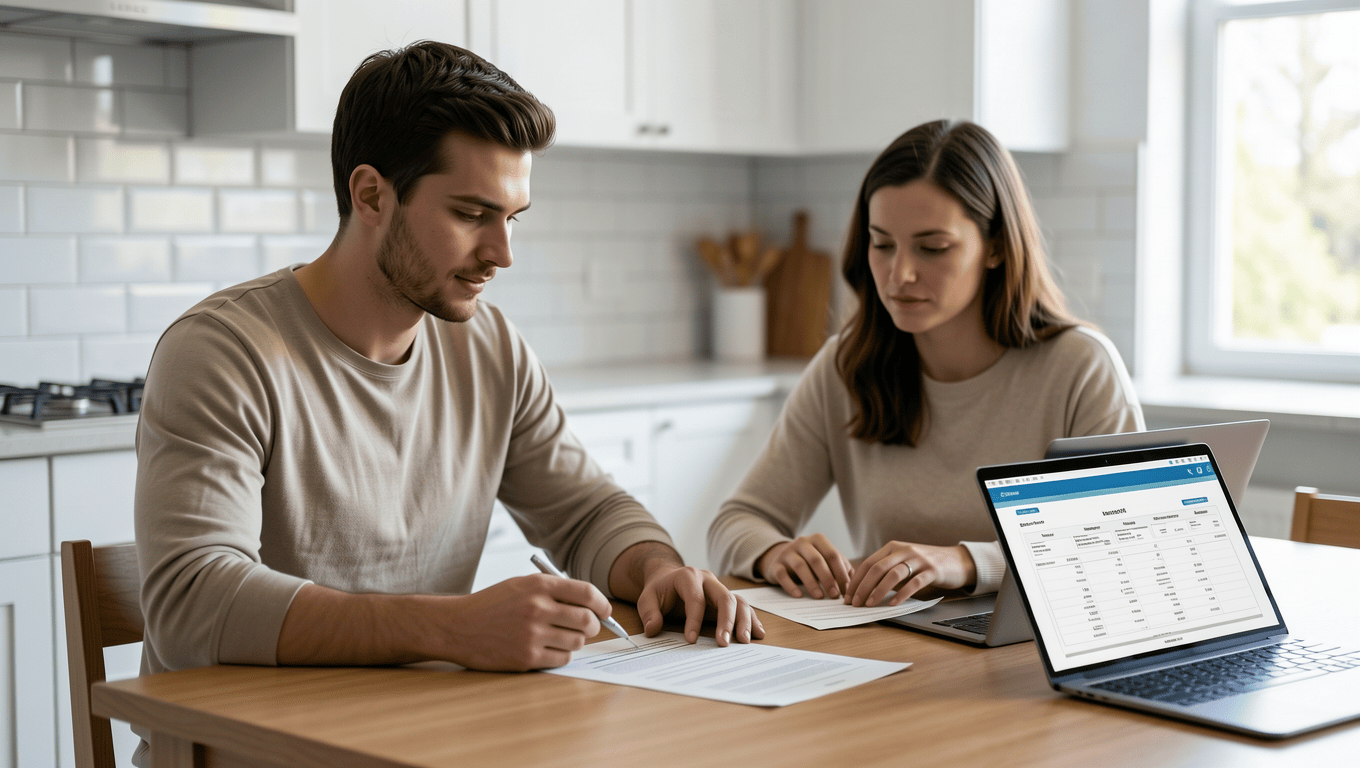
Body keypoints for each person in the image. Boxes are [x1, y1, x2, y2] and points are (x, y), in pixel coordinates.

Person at [133, 40, 764, 717]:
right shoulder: (223, 353)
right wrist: (451, 627)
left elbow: (587, 513)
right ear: (371, 194)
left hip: (418, 736)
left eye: (512, 218)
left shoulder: (489, 347)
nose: (502, 253)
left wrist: (657, 571)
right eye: (471, 215)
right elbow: (192, 601)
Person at [707, 120, 1144, 609]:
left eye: (933, 248)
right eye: (882, 244)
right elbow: (735, 522)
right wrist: (774, 553)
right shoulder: (846, 366)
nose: (900, 275)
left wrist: (964, 563)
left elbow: (1119, 542)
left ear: (996, 246)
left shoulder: (1080, 367)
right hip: (890, 643)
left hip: (1031, 654)